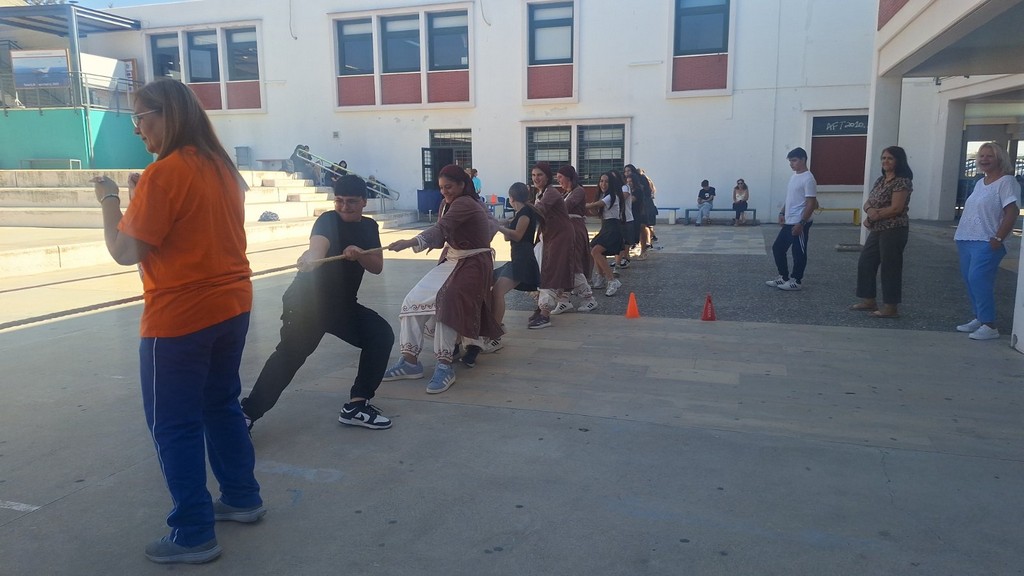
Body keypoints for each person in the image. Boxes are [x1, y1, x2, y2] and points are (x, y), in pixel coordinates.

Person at [91, 78, 263, 565]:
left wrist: (109, 201)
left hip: (180, 317)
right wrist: (142, 196)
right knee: (220, 404)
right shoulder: (222, 167)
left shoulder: (164, 174)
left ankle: (193, 532)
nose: (137, 130)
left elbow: (125, 251)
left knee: (173, 424)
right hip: (232, 305)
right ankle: (242, 496)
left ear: (167, 115)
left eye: (140, 118)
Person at [241, 175, 395, 431]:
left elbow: (376, 266)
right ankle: (246, 414)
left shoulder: (369, 227)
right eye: (339, 200)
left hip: (341, 306)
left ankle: (356, 406)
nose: (344, 207)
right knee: (290, 356)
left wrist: (358, 254)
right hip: (307, 303)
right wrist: (310, 259)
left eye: (351, 201)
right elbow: (317, 249)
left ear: (364, 201)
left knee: (380, 335)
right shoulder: (327, 220)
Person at [382, 164, 503, 392]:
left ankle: (445, 365)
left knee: (447, 302)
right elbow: (442, 233)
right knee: (411, 301)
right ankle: (409, 361)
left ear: (462, 185)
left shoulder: (466, 203)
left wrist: (410, 242)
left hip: (474, 262)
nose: (444, 191)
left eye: (449, 187)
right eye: (441, 187)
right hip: (453, 259)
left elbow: (441, 229)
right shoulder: (446, 203)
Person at [462, 182, 540, 368]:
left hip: (523, 261)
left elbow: (517, 235)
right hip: (517, 259)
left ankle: (495, 335)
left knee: (497, 292)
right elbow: (508, 236)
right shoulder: (519, 214)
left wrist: (499, 227)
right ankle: (496, 326)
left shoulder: (525, 213)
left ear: (511, 198)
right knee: (491, 286)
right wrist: (503, 225)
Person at [952, 141, 1020, 340]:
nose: (984, 159)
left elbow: (1012, 211)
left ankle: (989, 325)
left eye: (989, 156)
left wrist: (999, 237)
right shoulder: (980, 182)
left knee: (979, 278)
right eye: (981, 156)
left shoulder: (1007, 182)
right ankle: (979, 317)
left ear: (1000, 158)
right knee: (969, 279)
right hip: (966, 238)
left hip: (987, 240)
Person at [850, 146, 913, 319]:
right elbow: (868, 202)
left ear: (898, 161)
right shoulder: (881, 180)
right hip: (878, 228)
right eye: (883, 158)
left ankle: (890, 307)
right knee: (866, 262)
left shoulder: (902, 181)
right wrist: (870, 212)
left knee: (890, 267)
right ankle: (868, 300)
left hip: (894, 229)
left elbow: (896, 208)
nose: (885, 161)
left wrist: (873, 217)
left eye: (890, 158)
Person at [530, 162, 576, 329]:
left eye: (539, 175)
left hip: (560, 236)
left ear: (547, 176)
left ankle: (545, 314)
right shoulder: (541, 193)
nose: (536, 178)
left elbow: (538, 210)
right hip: (548, 236)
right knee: (543, 269)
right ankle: (542, 306)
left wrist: (520, 211)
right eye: (533, 175)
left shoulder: (551, 193)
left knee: (550, 271)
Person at [766, 147, 818, 291]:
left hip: (799, 222)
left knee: (798, 252)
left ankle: (796, 280)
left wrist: (802, 223)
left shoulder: (808, 179)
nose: (791, 164)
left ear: (803, 159)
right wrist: (782, 213)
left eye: (794, 160)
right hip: (789, 220)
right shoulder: (794, 176)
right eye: (790, 161)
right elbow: (791, 198)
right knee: (778, 248)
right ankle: (783, 277)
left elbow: (811, 203)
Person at [552, 164, 598, 314]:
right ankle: (564, 300)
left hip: (575, 231)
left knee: (573, 264)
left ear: (568, 177)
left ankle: (589, 299)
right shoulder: (566, 193)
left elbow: (565, 206)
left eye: (560, 177)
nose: (558, 180)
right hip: (566, 231)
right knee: (565, 264)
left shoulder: (578, 191)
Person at [586, 171, 625, 296]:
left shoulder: (612, 196)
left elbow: (598, 204)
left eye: (606, 181)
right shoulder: (603, 196)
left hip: (613, 227)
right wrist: (591, 208)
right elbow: (596, 211)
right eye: (601, 181)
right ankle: (601, 276)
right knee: (594, 248)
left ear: (611, 183)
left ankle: (612, 280)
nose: (603, 184)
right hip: (606, 226)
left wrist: (585, 205)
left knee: (596, 251)